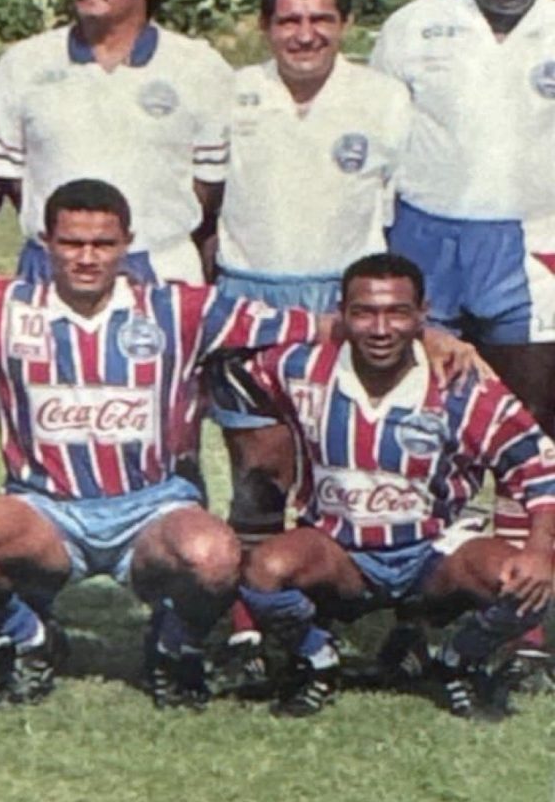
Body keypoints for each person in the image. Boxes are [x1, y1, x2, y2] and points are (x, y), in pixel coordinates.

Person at [0, 179, 334, 709]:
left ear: (127, 244)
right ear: (46, 242)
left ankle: (172, 648)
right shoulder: (2, 306)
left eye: (103, 244)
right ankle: (31, 640)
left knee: (214, 555)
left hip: (152, 508)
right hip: (45, 510)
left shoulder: (179, 310)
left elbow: (304, 326)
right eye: (72, 243)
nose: (87, 258)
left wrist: (382, 331)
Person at [228, 254, 555, 720]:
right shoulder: (300, 368)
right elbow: (222, 358)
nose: (381, 329)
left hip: (434, 552)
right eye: (364, 313)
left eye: (398, 312)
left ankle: (456, 662)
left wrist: (539, 550)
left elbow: (539, 466)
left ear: (423, 314)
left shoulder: (459, 384)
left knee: (524, 582)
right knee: (264, 569)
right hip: (340, 550)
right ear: (341, 314)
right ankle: (318, 659)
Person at [371, 0, 555, 685]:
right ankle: (417, 605)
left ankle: (524, 620)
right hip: (426, 234)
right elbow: (379, 136)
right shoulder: (415, 27)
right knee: (420, 421)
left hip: (530, 239)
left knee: (530, 427)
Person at [212, 0, 412, 674]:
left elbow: (401, 209)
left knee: (345, 463)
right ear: (265, 25)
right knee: (260, 467)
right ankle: (247, 624)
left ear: (345, 24)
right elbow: (204, 201)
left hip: (342, 300)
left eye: (321, 18)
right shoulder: (233, 92)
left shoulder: (384, 98)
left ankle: (324, 607)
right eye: (289, 20)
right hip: (250, 294)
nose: (305, 34)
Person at [0, 0, 232, 285]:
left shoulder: (199, 67)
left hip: (159, 267)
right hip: (52, 270)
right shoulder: (24, 64)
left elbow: (209, 186)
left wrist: (149, 235)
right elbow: (12, 179)